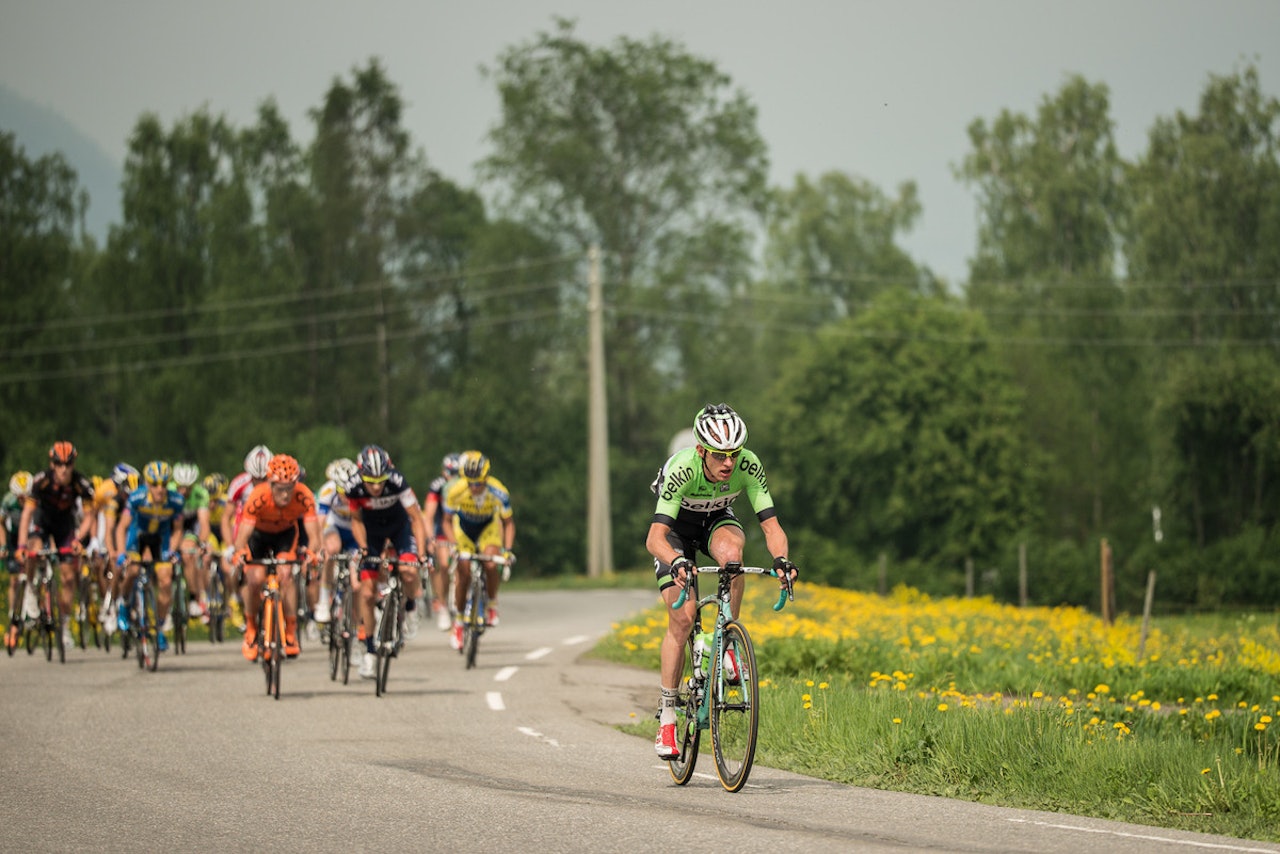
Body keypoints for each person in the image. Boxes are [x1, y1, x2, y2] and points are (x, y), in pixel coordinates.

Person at [645, 403, 798, 760]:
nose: (728, 463)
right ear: (701, 451)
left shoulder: (748, 464)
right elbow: (655, 539)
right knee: (681, 620)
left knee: (733, 557)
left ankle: (727, 638)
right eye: (719, 455)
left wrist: (782, 560)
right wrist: (676, 561)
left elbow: (771, 527)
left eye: (734, 453)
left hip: (716, 519)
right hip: (675, 532)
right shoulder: (681, 470)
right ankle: (667, 717)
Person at [343, 444, 428, 679]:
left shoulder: (398, 481)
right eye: (371, 481)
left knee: (409, 571)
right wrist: (362, 548)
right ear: (362, 476)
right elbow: (356, 521)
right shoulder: (353, 487)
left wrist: (421, 553)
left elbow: (416, 518)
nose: (377, 486)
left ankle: (411, 608)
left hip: (400, 528)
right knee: (368, 594)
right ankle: (370, 652)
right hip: (371, 532)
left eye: (381, 480)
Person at [229, 454, 321, 661]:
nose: (286, 494)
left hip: (285, 536)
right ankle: (251, 628)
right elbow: (242, 535)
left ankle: (290, 631)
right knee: (254, 579)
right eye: (280, 488)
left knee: (286, 574)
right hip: (258, 537)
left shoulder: (303, 495)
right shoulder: (258, 496)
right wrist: (240, 552)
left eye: (290, 487)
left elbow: (315, 535)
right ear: (270, 483)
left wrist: (311, 553)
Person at [14, 442, 97, 649]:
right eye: (58, 464)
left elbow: (89, 517)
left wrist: (79, 539)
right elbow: (26, 515)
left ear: (73, 464)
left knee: (69, 577)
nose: (63, 468)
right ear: (52, 464)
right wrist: (21, 546)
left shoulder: (81, 483)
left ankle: (65, 625)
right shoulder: (41, 481)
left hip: (65, 528)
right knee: (33, 549)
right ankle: (32, 591)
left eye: (68, 464)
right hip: (42, 523)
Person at [443, 451, 515, 652]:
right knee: (463, 572)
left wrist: (507, 551)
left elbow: (508, 523)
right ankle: (458, 621)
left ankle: (491, 604)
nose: (474, 487)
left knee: (491, 563)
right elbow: (446, 521)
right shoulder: (456, 490)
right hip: (463, 531)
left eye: (479, 483)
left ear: (486, 478)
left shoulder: (498, 491)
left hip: (487, 529)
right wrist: (452, 545)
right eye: (470, 483)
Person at [116, 460, 185, 652]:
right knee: (133, 570)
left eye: (164, 484)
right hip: (137, 540)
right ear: (147, 484)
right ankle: (124, 605)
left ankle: (159, 627)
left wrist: (172, 550)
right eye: (155, 484)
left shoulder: (176, 501)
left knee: (165, 580)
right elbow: (122, 527)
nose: (160, 489)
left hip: (160, 541)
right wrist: (121, 553)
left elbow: (178, 530)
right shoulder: (137, 498)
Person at [314, 457, 359, 626]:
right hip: (335, 527)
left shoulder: (361, 491)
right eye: (343, 492)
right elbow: (319, 522)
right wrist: (320, 547)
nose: (347, 496)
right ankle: (324, 600)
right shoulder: (328, 490)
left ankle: (356, 624)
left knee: (356, 583)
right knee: (331, 549)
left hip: (355, 531)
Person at [420, 452, 461, 632]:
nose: (453, 476)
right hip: (442, 529)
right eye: (450, 472)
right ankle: (443, 604)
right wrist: (430, 539)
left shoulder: (466, 486)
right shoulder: (437, 486)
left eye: (456, 473)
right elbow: (428, 516)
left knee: (463, 564)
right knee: (443, 565)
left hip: (461, 529)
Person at [171, 462, 211, 622]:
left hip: (191, 527)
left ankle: (195, 597)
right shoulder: (169, 491)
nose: (184, 491)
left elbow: (204, 523)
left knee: (189, 555)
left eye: (188, 488)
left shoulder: (201, 493)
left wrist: (201, 543)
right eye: (181, 487)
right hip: (173, 525)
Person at [3, 471, 34, 650]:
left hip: (32, 536)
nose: (23, 502)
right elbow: (0, 524)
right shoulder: (8, 502)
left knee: (37, 569)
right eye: (20, 498)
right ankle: (13, 614)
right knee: (15, 579)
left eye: (26, 497)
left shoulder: (36, 500)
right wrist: (2, 546)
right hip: (15, 539)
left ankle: (35, 599)